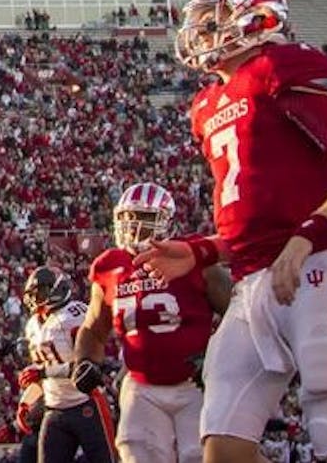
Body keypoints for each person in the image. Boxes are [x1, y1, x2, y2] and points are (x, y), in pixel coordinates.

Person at [139, 0, 327, 463]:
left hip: (317, 267)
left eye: (214, 22)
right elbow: (254, 219)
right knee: (222, 439)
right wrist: (200, 251)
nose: (203, 32)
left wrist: (304, 238)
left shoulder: (278, 68)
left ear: (256, 19)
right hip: (252, 282)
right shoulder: (207, 104)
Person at [75, 183, 233, 463]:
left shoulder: (191, 257)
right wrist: (86, 360)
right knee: (138, 454)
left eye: (145, 219)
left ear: (166, 223)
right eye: (128, 219)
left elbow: (237, 310)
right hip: (141, 385)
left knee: (198, 455)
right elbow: (93, 329)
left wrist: (217, 357)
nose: (134, 228)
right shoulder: (109, 266)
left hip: (194, 384)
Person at [19, 267, 115, 463]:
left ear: (59, 289)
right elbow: (42, 373)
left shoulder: (74, 314)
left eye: (42, 292)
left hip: (86, 403)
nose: (37, 299)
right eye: (34, 294)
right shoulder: (32, 326)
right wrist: (26, 401)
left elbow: (90, 366)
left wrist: (44, 373)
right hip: (54, 409)